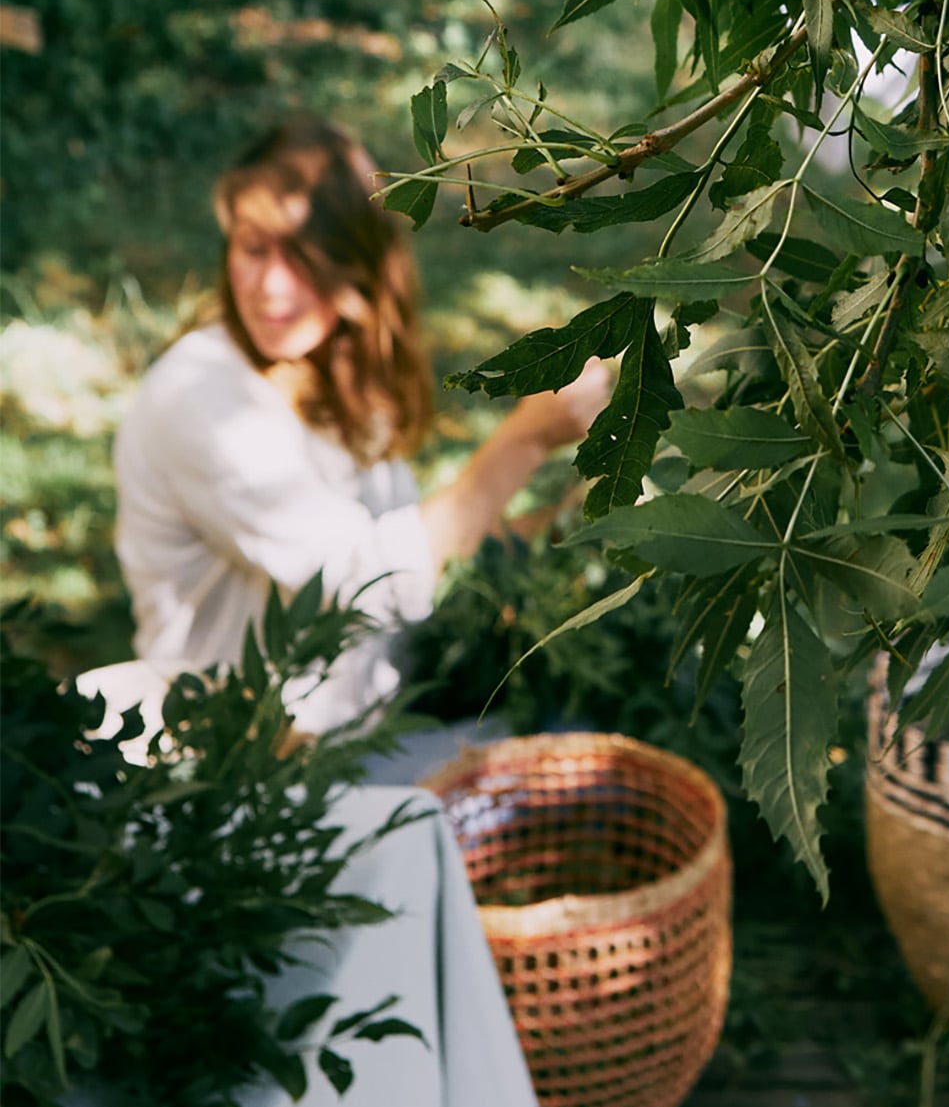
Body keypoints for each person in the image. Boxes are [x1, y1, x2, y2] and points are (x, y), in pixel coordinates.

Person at [112, 117, 610, 734]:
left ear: (354, 261)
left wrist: (560, 527)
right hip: (255, 764)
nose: (271, 286)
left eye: (301, 255)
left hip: (368, 717)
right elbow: (362, 581)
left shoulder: (327, 359)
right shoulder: (201, 402)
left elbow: (398, 547)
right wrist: (526, 440)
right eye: (253, 247)